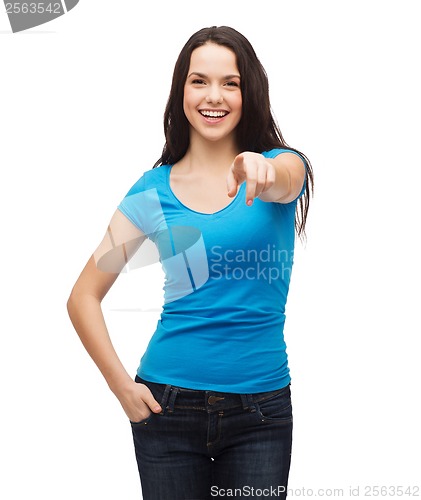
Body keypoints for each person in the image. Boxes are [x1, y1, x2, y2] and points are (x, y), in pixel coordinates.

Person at [67, 25, 314, 500]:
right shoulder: (152, 193)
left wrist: (260, 169)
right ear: (181, 90)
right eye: (199, 80)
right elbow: (83, 297)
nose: (213, 95)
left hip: (260, 414)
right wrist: (121, 388)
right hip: (167, 409)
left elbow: (285, 180)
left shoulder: (282, 166)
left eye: (231, 82)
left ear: (250, 92)